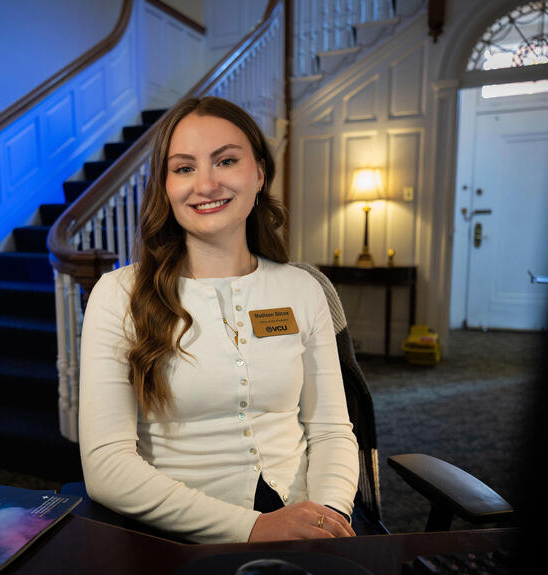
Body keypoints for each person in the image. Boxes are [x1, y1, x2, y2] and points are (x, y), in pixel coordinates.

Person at [78, 96, 359, 544]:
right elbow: (106, 466)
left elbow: (330, 431)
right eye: (184, 168)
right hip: (177, 536)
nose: (206, 184)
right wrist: (253, 527)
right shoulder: (118, 295)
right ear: (165, 186)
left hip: (302, 521)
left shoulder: (302, 288)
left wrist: (327, 519)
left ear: (259, 174)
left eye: (226, 161)